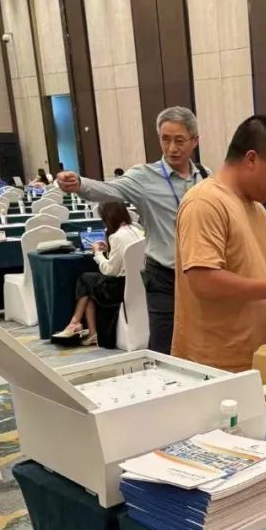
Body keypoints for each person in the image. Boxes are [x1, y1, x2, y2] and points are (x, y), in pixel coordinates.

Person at [55, 106, 212, 354]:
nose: (172, 148)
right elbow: (107, 190)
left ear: (195, 141)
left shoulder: (205, 176)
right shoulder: (144, 177)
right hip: (164, 276)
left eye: (180, 140)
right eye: (165, 139)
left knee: (203, 341)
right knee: (164, 344)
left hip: (201, 273)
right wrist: (79, 184)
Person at [173, 115, 266, 371]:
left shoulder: (258, 210)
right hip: (217, 367)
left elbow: (253, 271)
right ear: (251, 159)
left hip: (259, 361)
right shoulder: (205, 202)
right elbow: (203, 280)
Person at [54, 202, 144, 346]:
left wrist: (97, 253)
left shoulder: (117, 236)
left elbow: (110, 271)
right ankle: (90, 332)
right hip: (139, 285)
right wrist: (109, 249)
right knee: (89, 287)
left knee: (84, 279)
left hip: (118, 289)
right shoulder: (137, 230)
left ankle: (76, 323)